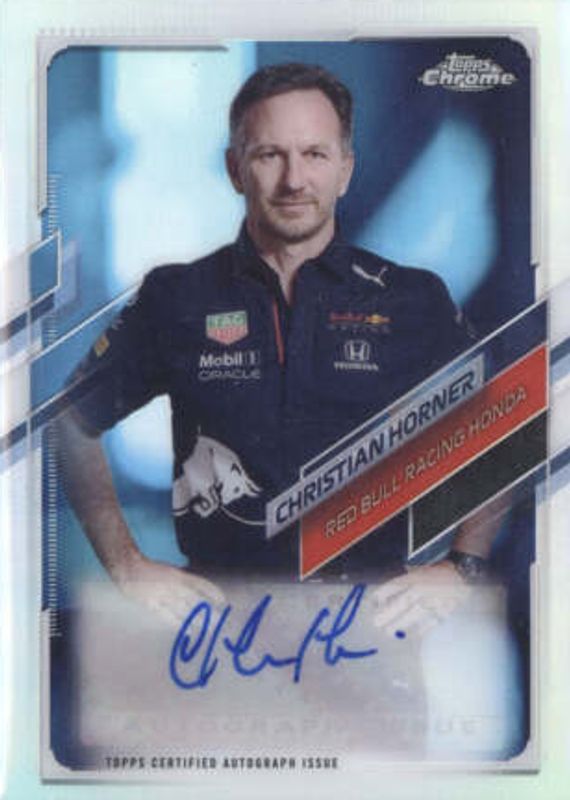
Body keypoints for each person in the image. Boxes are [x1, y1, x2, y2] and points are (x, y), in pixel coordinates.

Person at [58, 62, 506, 630]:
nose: (294, 180)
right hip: (221, 635)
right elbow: (70, 419)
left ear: (345, 169)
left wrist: (462, 566)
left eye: (315, 155)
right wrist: (127, 565)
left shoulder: (409, 296)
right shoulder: (177, 296)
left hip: (369, 636)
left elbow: (504, 417)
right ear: (234, 169)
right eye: (270, 155)